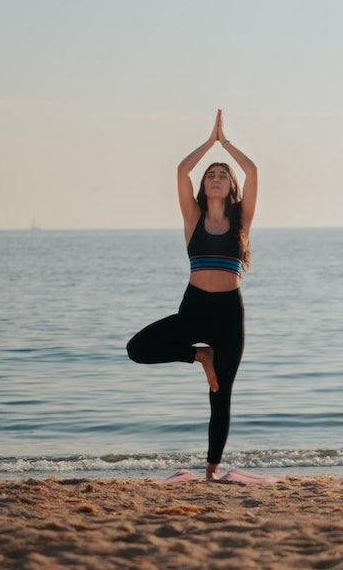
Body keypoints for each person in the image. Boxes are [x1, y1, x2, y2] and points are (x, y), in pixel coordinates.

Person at [126, 110, 258, 480]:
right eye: (211, 175)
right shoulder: (192, 217)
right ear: (204, 186)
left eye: (222, 175)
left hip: (230, 313)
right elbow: (182, 171)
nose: (216, 179)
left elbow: (254, 173)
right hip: (195, 308)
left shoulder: (242, 221)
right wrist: (210, 141)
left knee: (222, 394)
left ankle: (212, 470)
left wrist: (228, 144)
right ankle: (200, 355)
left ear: (231, 186)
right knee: (137, 349)